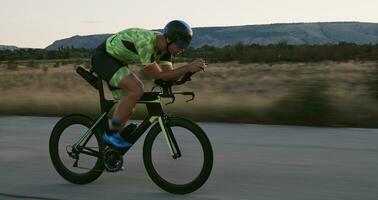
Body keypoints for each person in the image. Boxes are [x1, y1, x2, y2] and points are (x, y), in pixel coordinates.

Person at [91, 20, 207, 149]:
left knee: (128, 107)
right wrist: (187, 68)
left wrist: (189, 72)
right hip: (104, 58)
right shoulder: (146, 43)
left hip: (118, 62)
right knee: (136, 89)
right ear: (169, 39)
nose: (182, 49)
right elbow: (159, 75)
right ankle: (111, 134)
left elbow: (169, 75)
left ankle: (111, 149)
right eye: (180, 44)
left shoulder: (165, 51)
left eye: (186, 45)